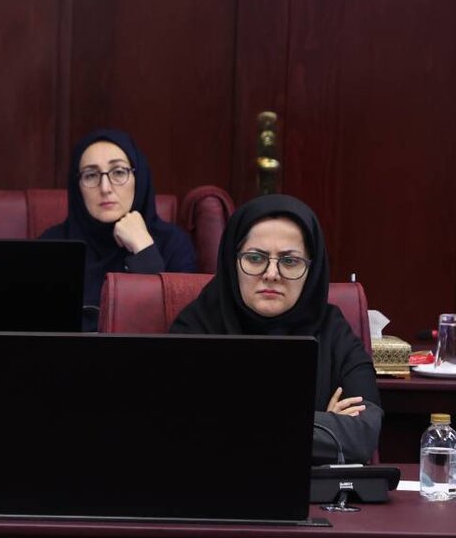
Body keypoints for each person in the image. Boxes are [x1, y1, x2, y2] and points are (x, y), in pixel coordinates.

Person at [170, 194, 382, 463]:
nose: (271, 274)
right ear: (232, 261)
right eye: (255, 258)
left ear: (312, 269)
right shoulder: (193, 328)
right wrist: (323, 424)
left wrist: (234, 422)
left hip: (313, 490)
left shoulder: (334, 332)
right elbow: (182, 431)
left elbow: (361, 436)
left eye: (290, 261)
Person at [41, 129, 195, 330]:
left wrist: (144, 250)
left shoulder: (173, 244)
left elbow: (177, 330)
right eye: (91, 175)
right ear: (76, 186)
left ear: (138, 178)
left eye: (119, 172)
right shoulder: (53, 246)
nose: (105, 188)